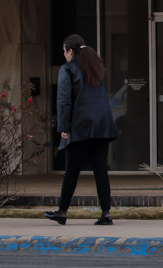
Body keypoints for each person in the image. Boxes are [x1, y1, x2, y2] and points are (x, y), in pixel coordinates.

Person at [44, 34, 119, 225]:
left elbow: (64, 101)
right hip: (102, 126)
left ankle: (62, 212)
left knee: (71, 170)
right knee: (101, 170)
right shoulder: (96, 69)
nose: (64, 55)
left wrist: (62, 127)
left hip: (80, 126)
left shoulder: (67, 69)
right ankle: (105, 214)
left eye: (64, 51)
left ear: (70, 51)